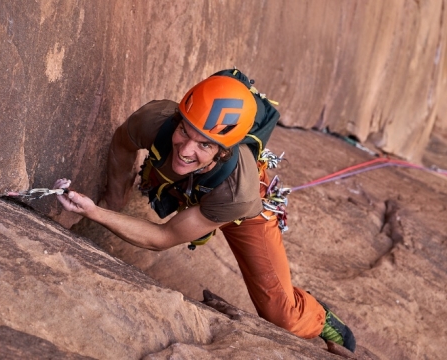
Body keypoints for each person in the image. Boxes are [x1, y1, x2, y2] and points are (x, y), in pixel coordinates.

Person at [54, 70, 356, 352]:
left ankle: (319, 317)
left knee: (282, 316)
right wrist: (114, 199)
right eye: (184, 131)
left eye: (204, 145)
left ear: (223, 151)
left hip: (240, 208)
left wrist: (97, 213)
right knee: (178, 163)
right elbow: (124, 141)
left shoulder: (238, 192)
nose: (186, 148)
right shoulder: (156, 120)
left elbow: (163, 236)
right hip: (196, 183)